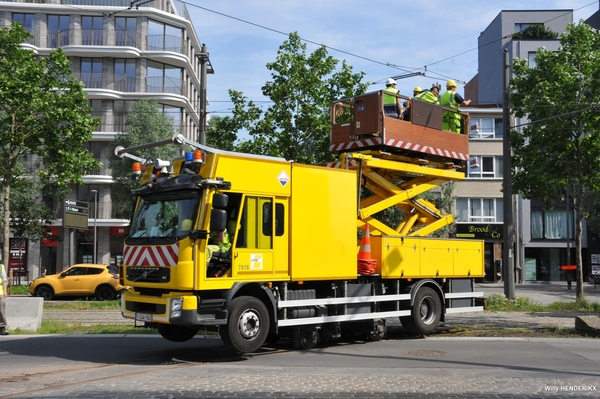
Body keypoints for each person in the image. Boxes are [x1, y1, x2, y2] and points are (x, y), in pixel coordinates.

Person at [0, 260, 8, 336]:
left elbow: (4, 280)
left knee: (1, 310)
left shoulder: (1, 267)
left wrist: (5, 291)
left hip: (0, 293)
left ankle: (2, 327)